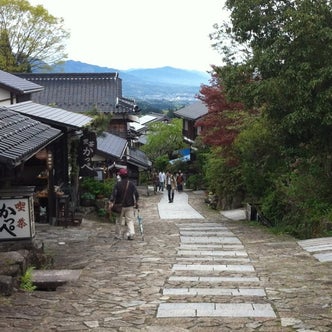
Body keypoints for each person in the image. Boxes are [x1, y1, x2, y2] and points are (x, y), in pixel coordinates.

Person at [109, 168, 139, 240]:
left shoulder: (117, 184)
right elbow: (136, 194)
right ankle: (131, 234)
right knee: (130, 221)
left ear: (120, 176)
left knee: (119, 221)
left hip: (119, 206)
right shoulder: (131, 184)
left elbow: (113, 195)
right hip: (130, 205)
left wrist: (111, 202)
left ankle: (117, 235)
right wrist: (136, 202)